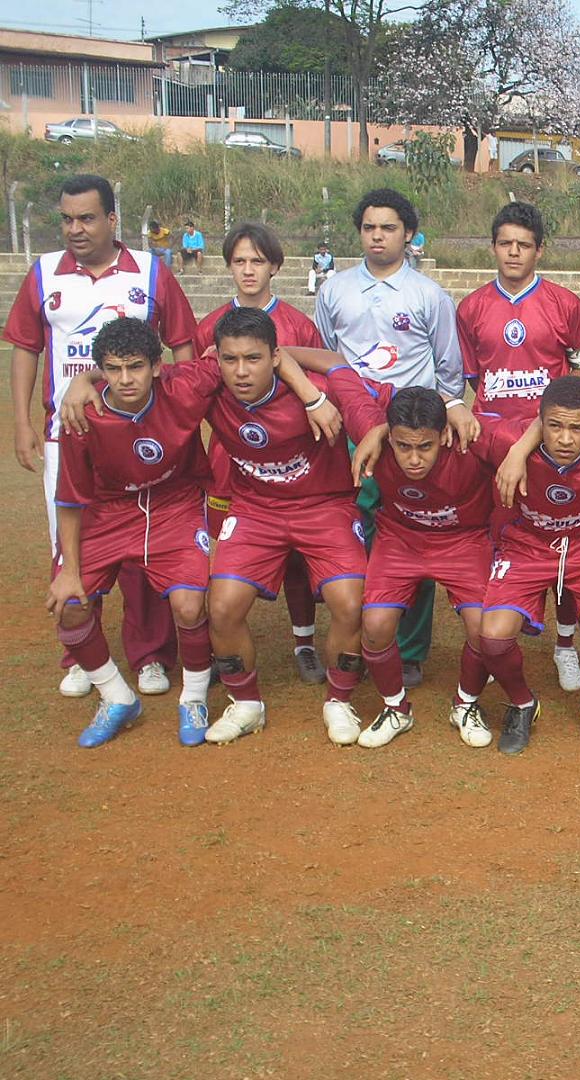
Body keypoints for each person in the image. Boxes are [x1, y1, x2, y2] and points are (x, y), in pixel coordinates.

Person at [58, 307, 357, 745]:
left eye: (253, 359)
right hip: (249, 510)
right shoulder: (202, 384)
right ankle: (244, 703)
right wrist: (80, 380)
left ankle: (339, 701)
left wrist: (311, 397)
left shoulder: (314, 391)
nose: (239, 371)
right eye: (229, 360)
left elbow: (337, 367)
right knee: (220, 605)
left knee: (349, 602)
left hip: (320, 507)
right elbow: (71, 493)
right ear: (215, 360)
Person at [5, 173, 189, 699]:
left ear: (113, 219)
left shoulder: (151, 272)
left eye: (86, 218)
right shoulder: (43, 272)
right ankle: (81, 654)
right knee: (72, 543)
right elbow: (24, 347)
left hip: (135, 434)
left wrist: (173, 418)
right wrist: (22, 423)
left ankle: (150, 655)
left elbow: (180, 347)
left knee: (144, 541)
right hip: (68, 435)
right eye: (66, 219)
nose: (75, 229)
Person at [315, 188, 465, 689]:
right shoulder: (335, 290)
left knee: (414, 535)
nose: (377, 236)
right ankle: (357, 636)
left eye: (388, 228)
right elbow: (327, 359)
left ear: (408, 235)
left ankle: (411, 649)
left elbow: (449, 369)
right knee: (354, 533)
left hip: (410, 437)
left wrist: (435, 426)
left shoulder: (428, 295)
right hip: (353, 432)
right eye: (369, 227)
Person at [47, 318, 215, 748]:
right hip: (109, 513)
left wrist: (312, 399)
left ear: (157, 366)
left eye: (135, 367)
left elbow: (245, 357)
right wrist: (68, 568)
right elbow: (69, 499)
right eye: (113, 369)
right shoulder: (81, 417)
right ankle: (116, 696)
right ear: (100, 369)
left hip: (175, 504)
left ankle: (194, 698)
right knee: (69, 603)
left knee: (190, 604)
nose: (125, 379)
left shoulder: (185, 385)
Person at [455, 201, 580, 692]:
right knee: (499, 540)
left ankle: (564, 646)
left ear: (540, 250)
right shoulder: (471, 307)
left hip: (550, 445)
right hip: (492, 441)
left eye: (523, 245)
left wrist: (542, 429)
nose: (513, 252)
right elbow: (473, 382)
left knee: (561, 539)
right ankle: (492, 644)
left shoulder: (564, 305)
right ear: (493, 246)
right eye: (505, 243)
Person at [324, 370, 496, 750]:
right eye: (403, 447)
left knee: (485, 628)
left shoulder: (473, 440)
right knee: (375, 624)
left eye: (425, 447)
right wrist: (283, 356)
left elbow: (543, 428)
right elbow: (337, 369)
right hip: (400, 539)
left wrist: (453, 404)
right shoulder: (373, 431)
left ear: (445, 436)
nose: (413, 460)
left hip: (463, 541)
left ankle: (466, 704)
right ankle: (395, 708)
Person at [474, 376, 580, 755]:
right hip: (527, 545)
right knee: (494, 639)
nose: (565, 438)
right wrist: (517, 451)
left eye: (577, 428)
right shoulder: (507, 438)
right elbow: (453, 414)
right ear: (538, 422)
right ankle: (522, 703)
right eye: (554, 426)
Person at [193, 222, 329, 685]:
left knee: (296, 555)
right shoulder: (208, 327)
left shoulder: (298, 323)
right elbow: (197, 391)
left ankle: (305, 641)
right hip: (230, 457)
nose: (248, 270)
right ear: (228, 265)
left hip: (290, 459)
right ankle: (224, 645)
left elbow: (321, 377)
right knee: (225, 551)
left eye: (258, 261)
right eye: (239, 261)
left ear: (275, 266)